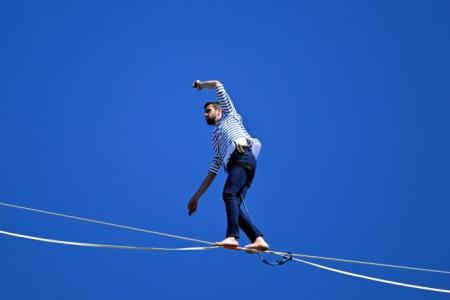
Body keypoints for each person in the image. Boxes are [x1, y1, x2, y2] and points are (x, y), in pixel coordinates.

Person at [187, 79, 269, 251]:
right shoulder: (215, 139)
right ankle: (258, 240)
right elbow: (213, 171)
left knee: (228, 194)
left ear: (219, 111)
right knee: (234, 205)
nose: (205, 114)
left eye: (208, 111)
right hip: (237, 165)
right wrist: (196, 197)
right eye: (204, 112)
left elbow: (217, 84)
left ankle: (232, 237)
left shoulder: (231, 115)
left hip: (243, 156)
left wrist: (202, 85)